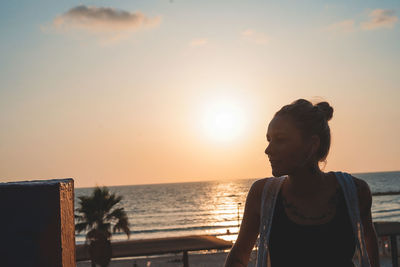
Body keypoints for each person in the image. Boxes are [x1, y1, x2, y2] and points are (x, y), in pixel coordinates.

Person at [224, 99, 380, 267]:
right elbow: (239, 255)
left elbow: (370, 247)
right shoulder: (262, 195)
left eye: (280, 140)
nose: (268, 150)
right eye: (269, 140)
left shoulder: (355, 191)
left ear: (312, 145)